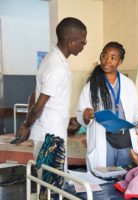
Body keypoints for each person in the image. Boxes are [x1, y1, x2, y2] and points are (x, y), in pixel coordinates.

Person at [15, 17, 87, 167]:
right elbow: (39, 105)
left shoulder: (52, 59)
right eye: (83, 41)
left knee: (50, 186)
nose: (84, 46)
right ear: (70, 43)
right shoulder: (57, 67)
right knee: (52, 188)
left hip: (51, 132)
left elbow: (40, 98)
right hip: (50, 138)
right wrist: (26, 125)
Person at [77, 42, 138, 170]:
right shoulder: (90, 87)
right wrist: (85, 115)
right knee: (104, 179)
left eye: (113, 58)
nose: (107, 60)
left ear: (120, 62)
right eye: (104, 56)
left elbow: (135, 111)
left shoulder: (128, 84)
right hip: (104, 140)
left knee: (125, 176)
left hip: (125, 140)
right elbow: (81, 114)